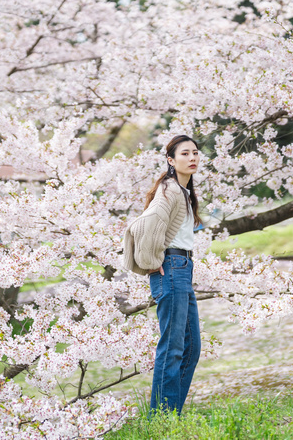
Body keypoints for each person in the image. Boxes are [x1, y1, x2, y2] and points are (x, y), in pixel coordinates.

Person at [122, 135, 202, 415]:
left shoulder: (182, 191)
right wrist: (151, 259)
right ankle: (162, 419)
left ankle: (170, 416)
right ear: (171, 160)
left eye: (195, 153)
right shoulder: (169, 189)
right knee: (173, 348)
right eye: (184, 154)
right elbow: (142, 224)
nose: (192, 158)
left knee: (191, 349)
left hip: (182, 270)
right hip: (172, 269)